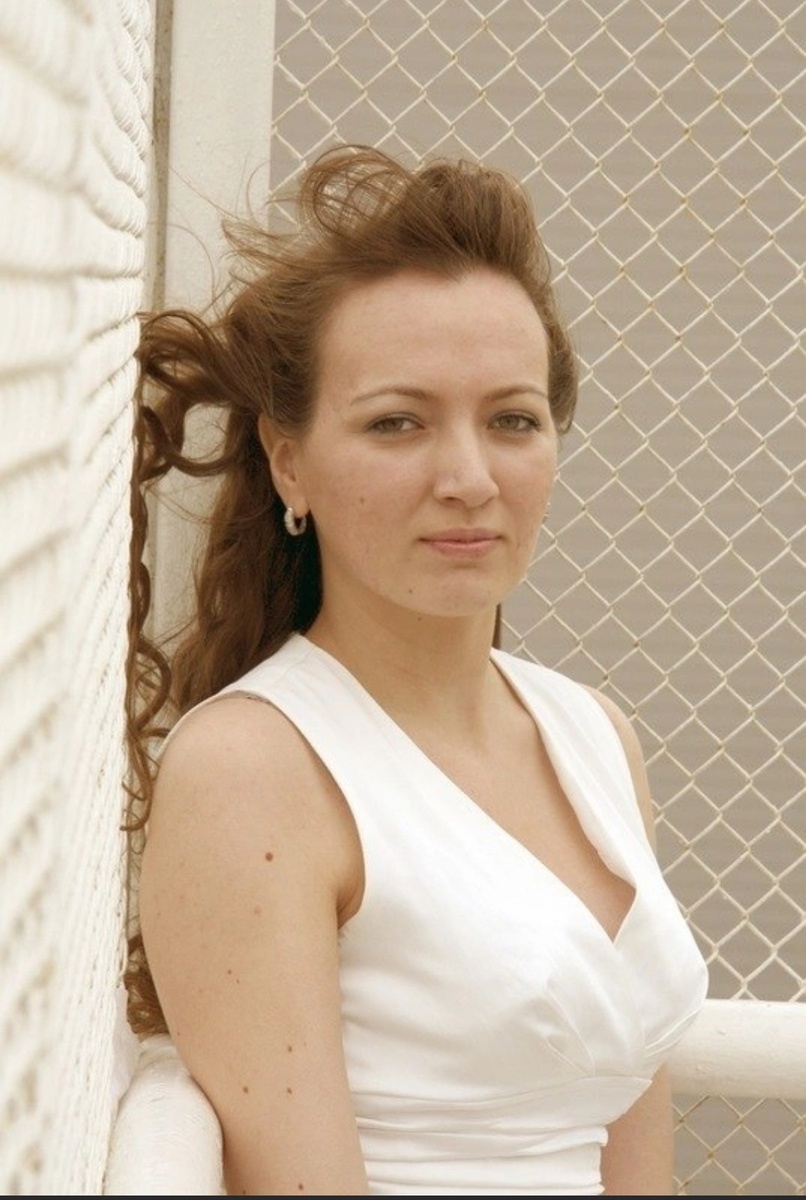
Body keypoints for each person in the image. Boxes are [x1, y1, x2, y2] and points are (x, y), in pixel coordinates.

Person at [124, 142, 709, 1196]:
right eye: (396, 422)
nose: (469, 478)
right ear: (288, 461)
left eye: (512, 420)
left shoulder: (592, 733)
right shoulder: (252, 770)